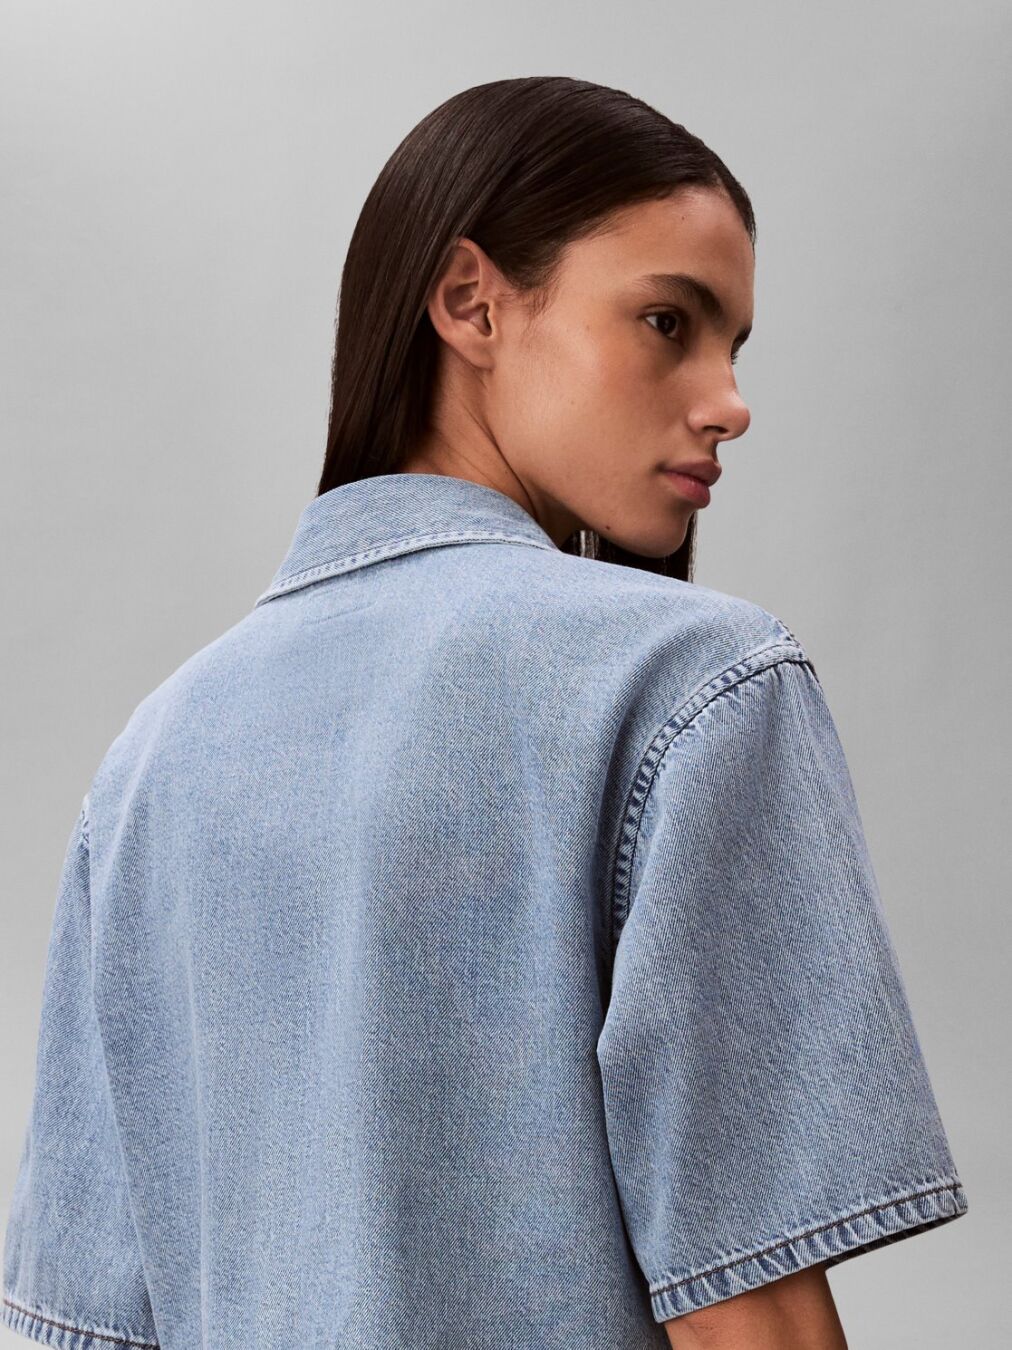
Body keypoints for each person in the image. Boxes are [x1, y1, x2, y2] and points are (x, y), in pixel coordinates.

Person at [1, 76, 967, 1350]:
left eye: (732, 346)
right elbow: (753, 1319)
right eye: (668, 321)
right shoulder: (694, 682)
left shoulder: (153, 760)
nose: (728, 400)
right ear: (470, 303)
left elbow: (89, 1328)